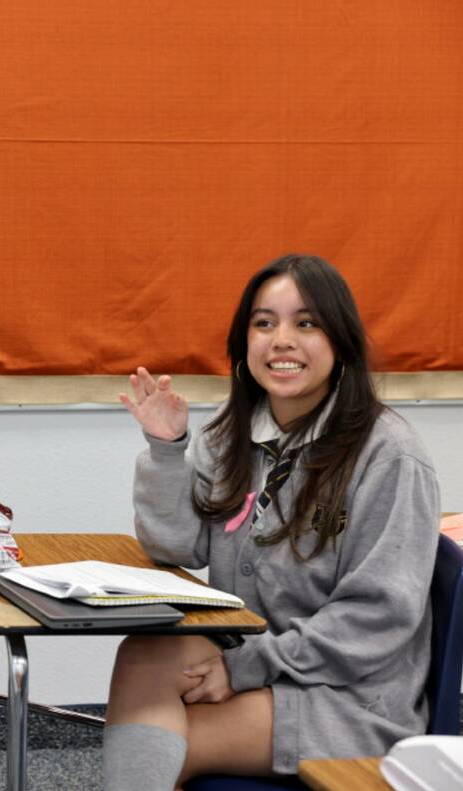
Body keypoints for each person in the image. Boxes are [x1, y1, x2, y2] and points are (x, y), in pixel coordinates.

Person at [106, 254, 439, 789]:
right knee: (146, 657)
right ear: (245, 345)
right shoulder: (234, 429)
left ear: (341, 342)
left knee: (164, 744)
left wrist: (244, 669)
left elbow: (376, 616)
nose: (281, 340)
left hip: (348, 696)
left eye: (306, 323)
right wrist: (167, 450)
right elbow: (178, 548)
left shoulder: (389, 454)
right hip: (257, 651)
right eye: (264, 323)